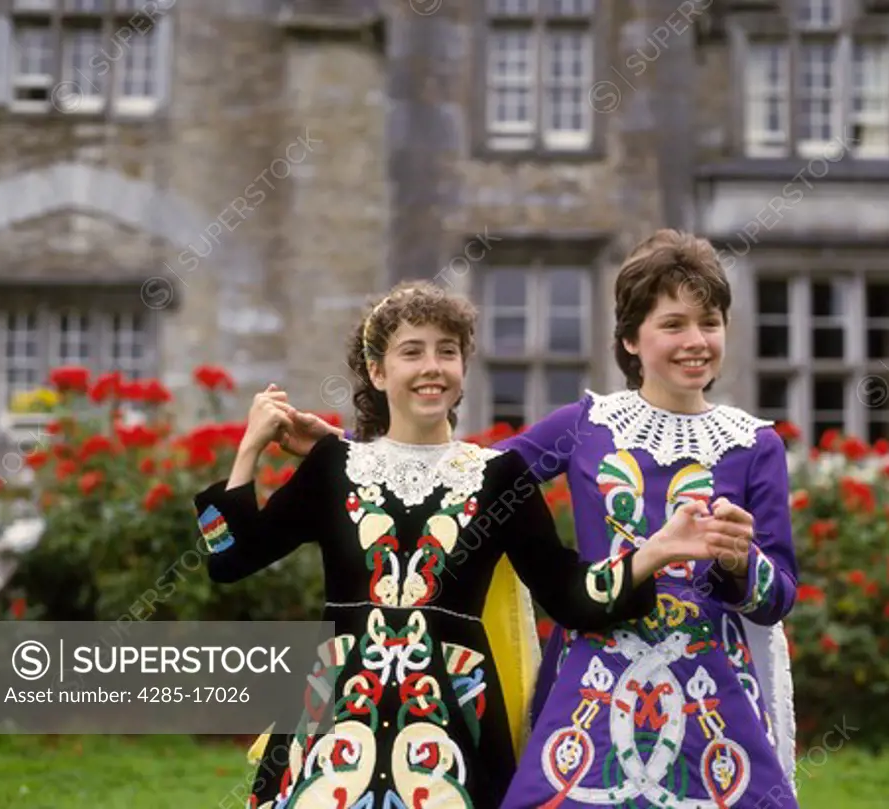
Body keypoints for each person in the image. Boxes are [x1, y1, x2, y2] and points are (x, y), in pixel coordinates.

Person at [287, 231, 799, 808]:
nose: (696, 341)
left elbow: (777, 596)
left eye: (710, 322)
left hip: (714, 701)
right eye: (673, 324)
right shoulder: (587, 424)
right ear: (630, 339)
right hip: (592, 692)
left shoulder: (755, 445)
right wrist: (352, 450)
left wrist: (738, 560)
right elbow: (468, 480)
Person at [192, 281, 733, 809]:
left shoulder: (501, 475)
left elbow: (568, 595)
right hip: (332, 724)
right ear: (379, 373)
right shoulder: (333, 467)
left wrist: (656, 551)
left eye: (447, 352)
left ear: (463, 369)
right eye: (412, 352)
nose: (432, 367)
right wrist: (249, 451)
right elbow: (230, 559)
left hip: (454, 729)